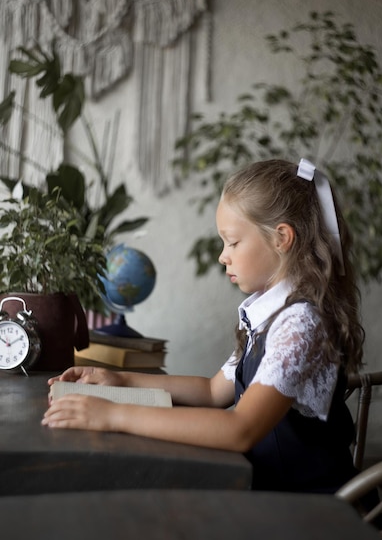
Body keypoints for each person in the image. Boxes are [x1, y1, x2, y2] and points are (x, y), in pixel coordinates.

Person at [42, 157, 365, 493]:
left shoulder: (300, 324)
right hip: (262, 486)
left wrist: (111, 416)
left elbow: (240, 429)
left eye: (233, 242)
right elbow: (212, 392)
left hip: (304, 507)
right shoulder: (270, 314)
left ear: (282, 238)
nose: (222, 256)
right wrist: (120, 380)